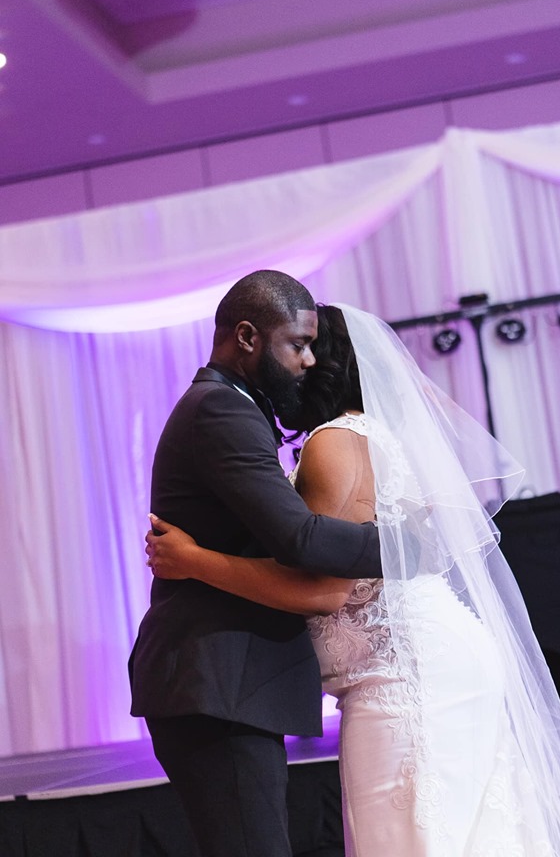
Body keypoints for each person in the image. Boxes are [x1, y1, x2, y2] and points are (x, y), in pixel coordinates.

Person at [146, 303, 560, 857]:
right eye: (294, 349)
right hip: (436, 655)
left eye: (307, 351)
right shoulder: (381, 437)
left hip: (402, 677)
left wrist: (193, 559)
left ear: (327, 365)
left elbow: (323, 589)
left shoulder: (333, 440)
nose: (299, 364)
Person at [128, 274, 382, 857]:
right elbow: (299, 540)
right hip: (214, 678)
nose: (309, 360)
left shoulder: (230, 406)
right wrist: (407, 548)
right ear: (247, 336)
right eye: (298, 344)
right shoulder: (220, 409)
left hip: (225, 682)